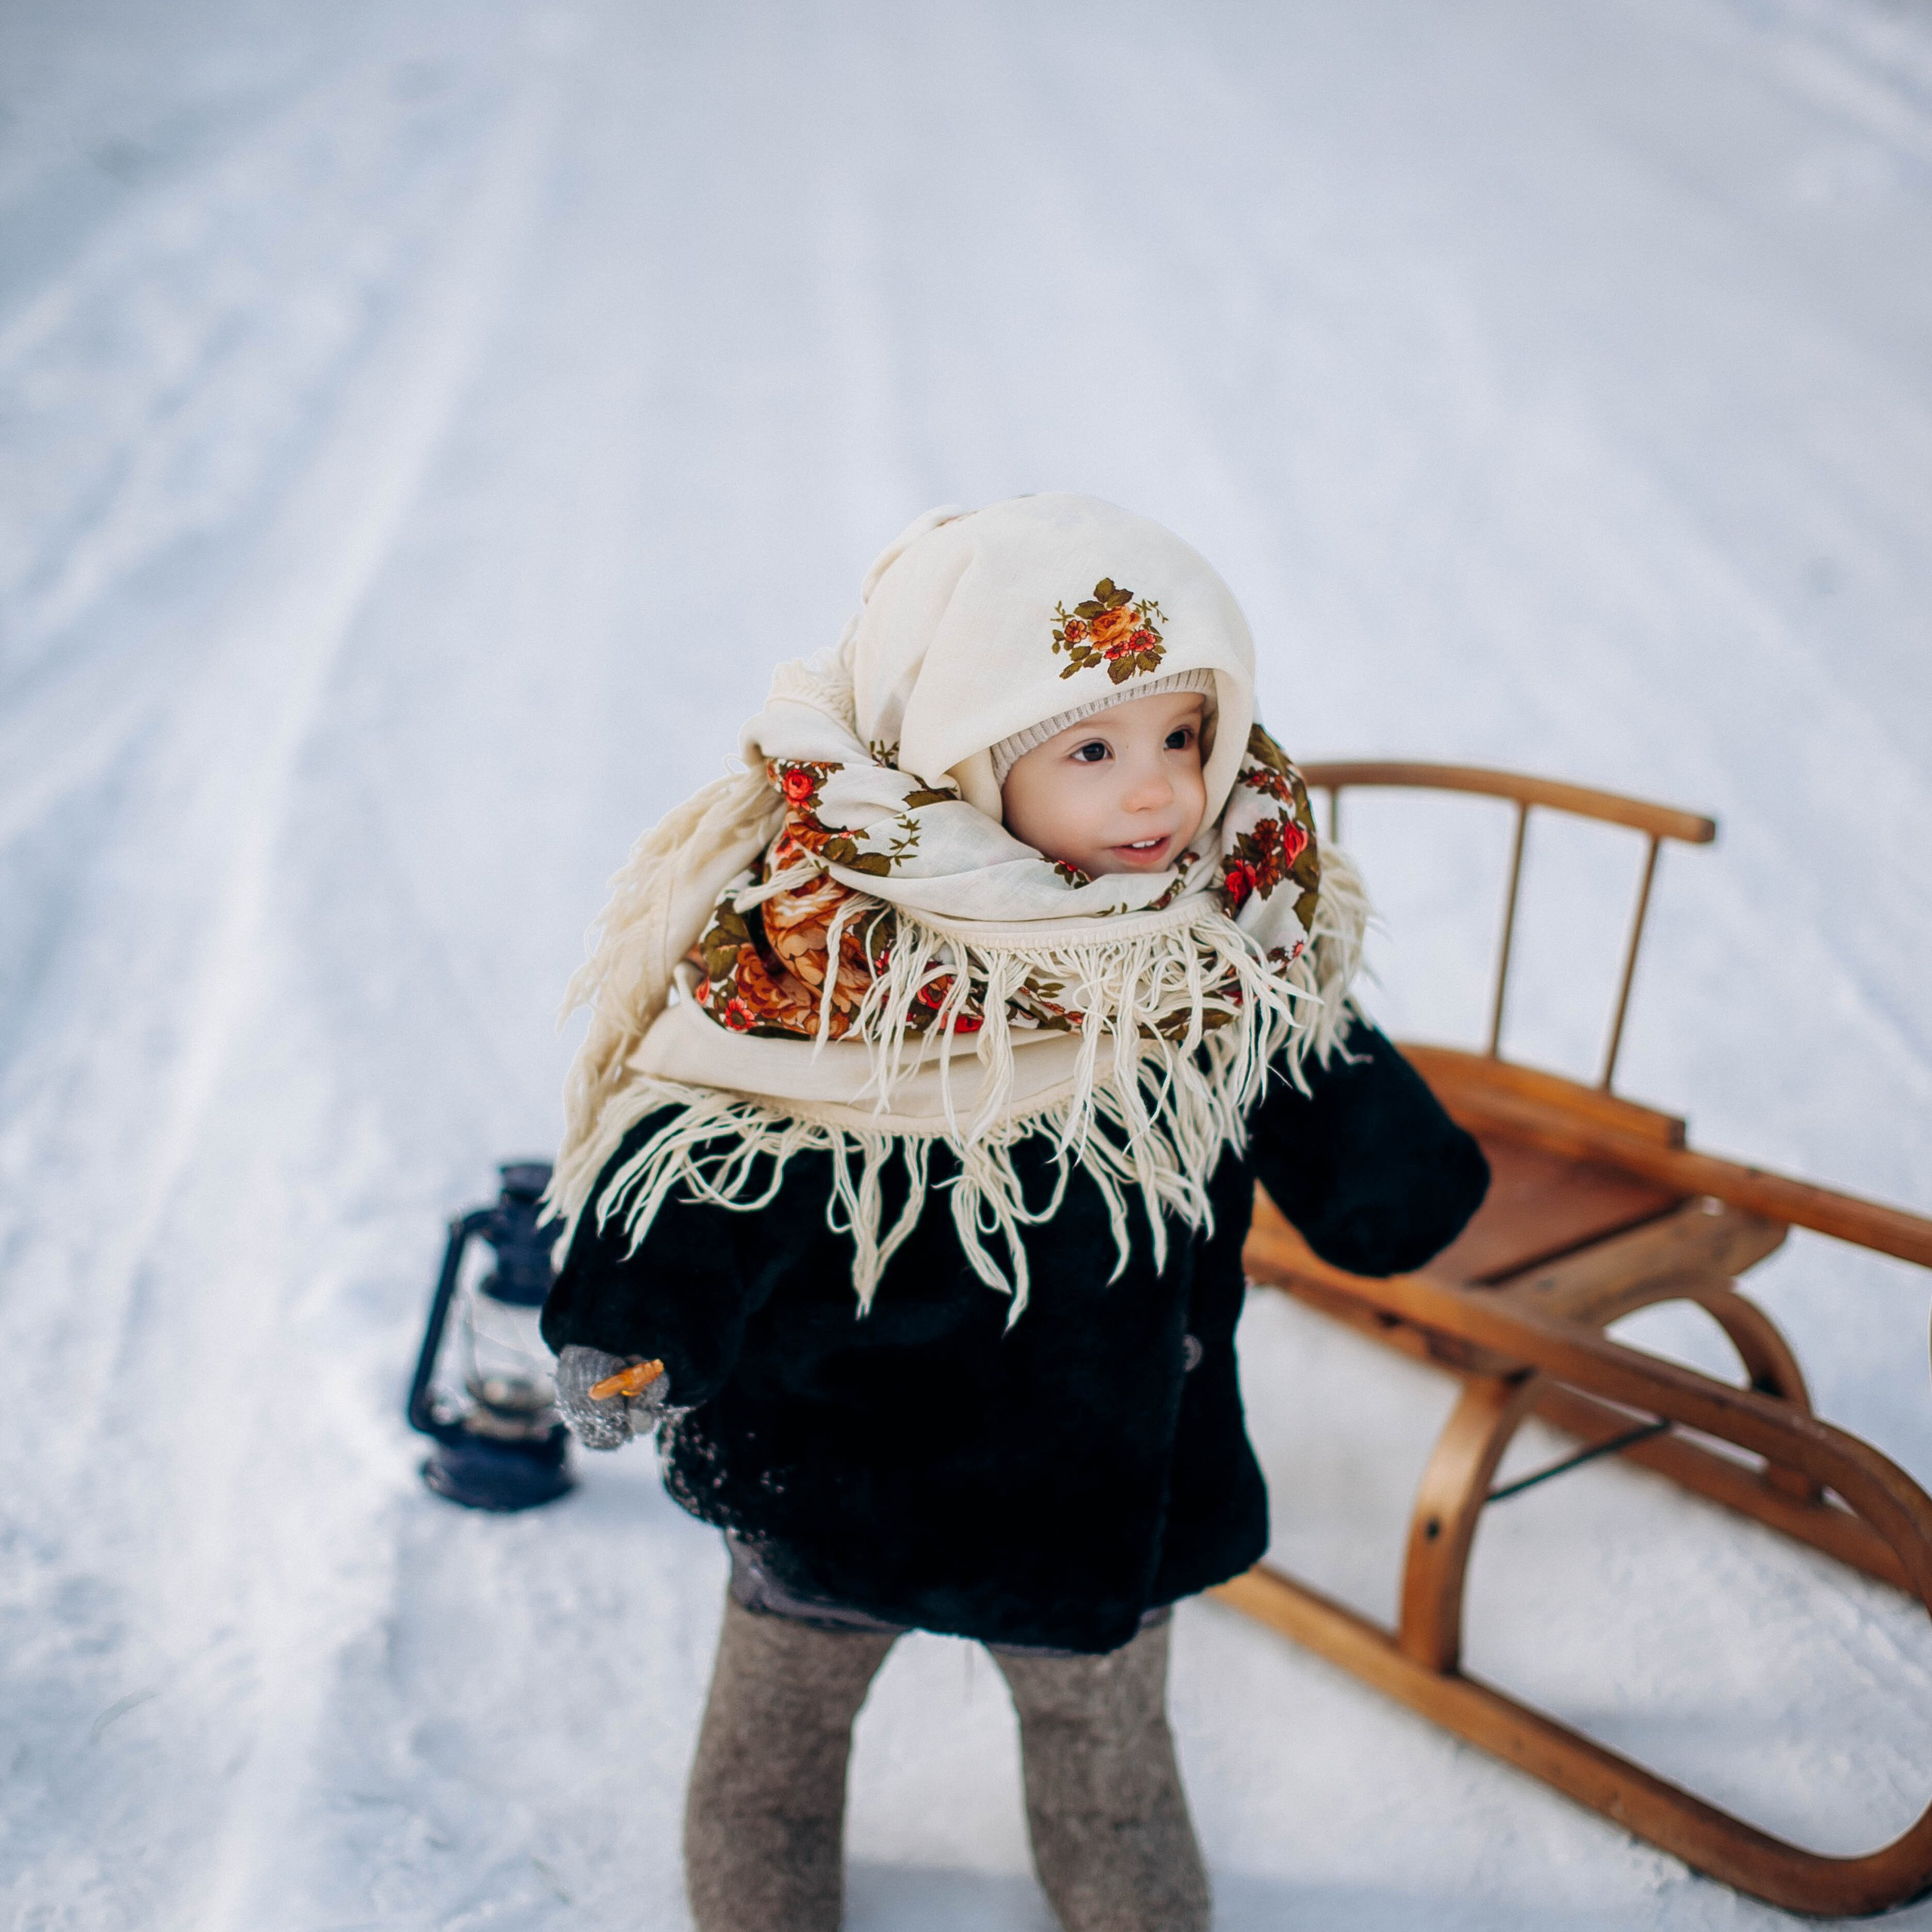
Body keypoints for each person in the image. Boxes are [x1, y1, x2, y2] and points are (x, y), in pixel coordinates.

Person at [539, 494, 1488, 1932]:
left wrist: (1390, 1179)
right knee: (774, 1762)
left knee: (1109, 1770)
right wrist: (632, 1328)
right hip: (835, 1465)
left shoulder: (1230, 929)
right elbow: (697, 1152)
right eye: (1092, 750)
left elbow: (1308, 1061)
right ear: (958, 755)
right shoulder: (814, 953)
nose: (1159, 794)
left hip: (1101, 1481)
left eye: (1183, 736)